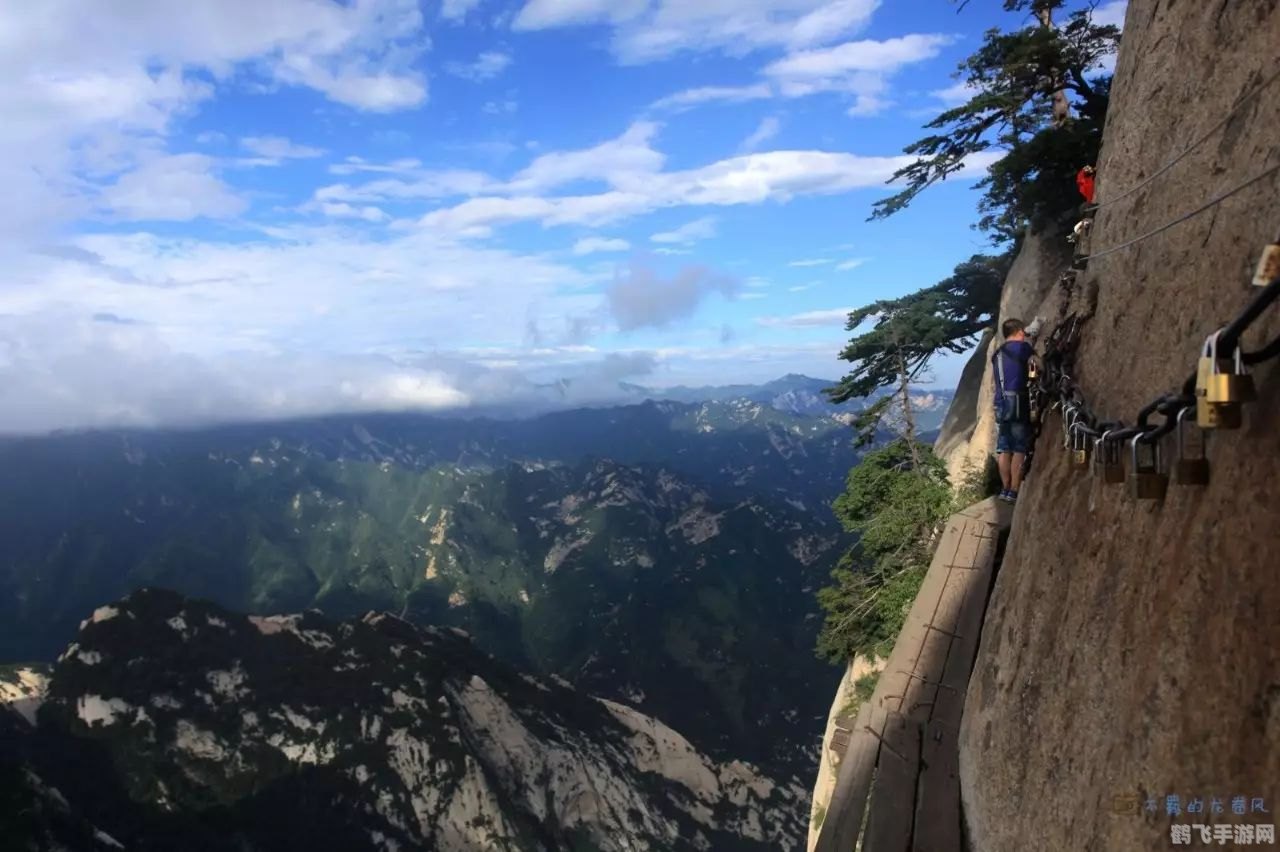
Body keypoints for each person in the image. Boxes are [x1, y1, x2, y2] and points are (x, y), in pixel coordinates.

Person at [992, 316, 1042, 504]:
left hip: (1000, 403)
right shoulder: (1022, 348)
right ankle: (1014, 490)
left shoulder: (996, 354)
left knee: (1004, 448)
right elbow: (1037, 365)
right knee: (1020, 447)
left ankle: (1005, 489)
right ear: (1020, 332)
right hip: (1017, 401)